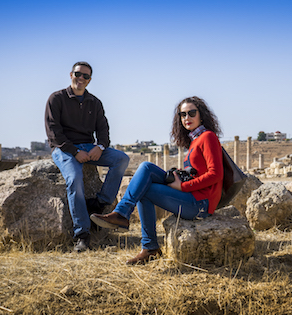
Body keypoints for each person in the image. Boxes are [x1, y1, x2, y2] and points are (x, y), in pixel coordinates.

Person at [91, 96, 223, 265]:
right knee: (146, 167)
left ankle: (146, 242)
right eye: (182, 114)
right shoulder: (195, 140)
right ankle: (124, 217)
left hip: (200, 204)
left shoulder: (208, 137)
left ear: (201, 115)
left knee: (144, 190)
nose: (187, 118)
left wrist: (183, 186)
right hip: (192, 196)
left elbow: (216, 174)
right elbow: (199, 171)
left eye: (192, 113)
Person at [45, 61, 130, 252]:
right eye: (78, 74)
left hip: (89, 146)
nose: (81, 78)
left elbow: (103, 130)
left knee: (121, 159)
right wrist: (75, 152)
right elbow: (53, 133)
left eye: (85, 76)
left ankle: (99, 203)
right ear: (71, 75)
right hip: (63, 149)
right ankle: (82, 234)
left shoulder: (95, 102)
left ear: (89, 80)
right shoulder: (56, 98)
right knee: (75, 178)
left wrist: (100, 146)